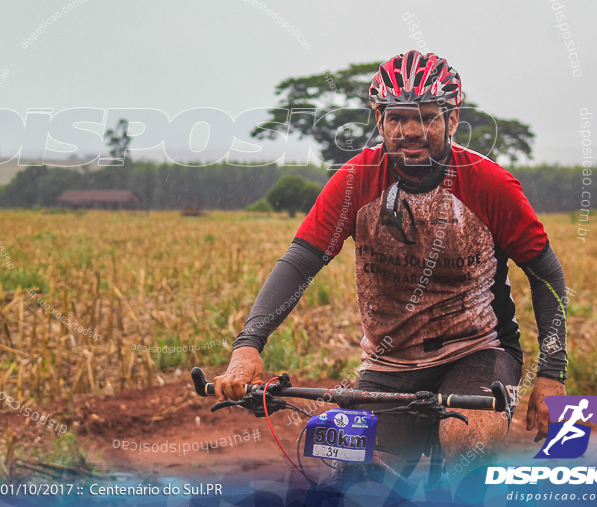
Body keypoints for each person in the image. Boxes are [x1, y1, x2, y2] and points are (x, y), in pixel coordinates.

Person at [215, 51, 569, 472]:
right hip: (388, 364)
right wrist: (247, 347)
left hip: (477, 351)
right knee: (347, 474)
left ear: (452, 120)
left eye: (427, 117)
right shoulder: (354, 180)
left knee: (464, 447)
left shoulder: (489, 184)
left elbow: (545, 273)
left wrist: (552, 374)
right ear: (379, 119)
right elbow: (300, 262)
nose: (411, 131)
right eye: (397, 117)